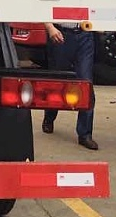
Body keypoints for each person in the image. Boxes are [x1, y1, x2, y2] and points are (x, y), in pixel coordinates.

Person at [41, 21, 98, 150]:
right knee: (56, 82)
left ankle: (85, 134)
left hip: (85, 35)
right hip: (60, 34)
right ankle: (49, 116)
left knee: (86, 84)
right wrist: (50, 27)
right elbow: (43, 10)